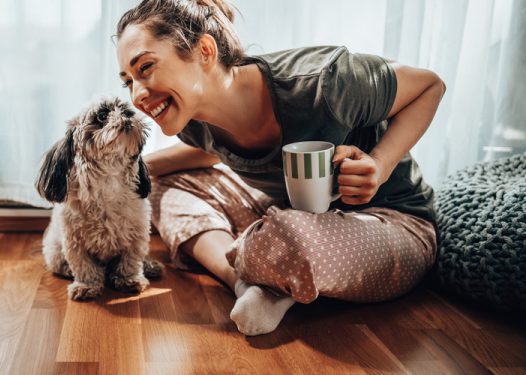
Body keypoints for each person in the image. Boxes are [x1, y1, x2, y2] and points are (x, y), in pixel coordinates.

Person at [115, 0, 446, 336]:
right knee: (156, 185)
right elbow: (212, 152)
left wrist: (381, 162)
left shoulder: (324, 82)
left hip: (393, 224)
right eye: (127, 81)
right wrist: (124, 171)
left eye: (145, 68)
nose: (137, 95)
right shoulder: (190, 119)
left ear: (204, 50)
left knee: (289, 237)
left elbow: (429, 85)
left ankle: (269, 265)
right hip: (291, 214)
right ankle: (245, 284)